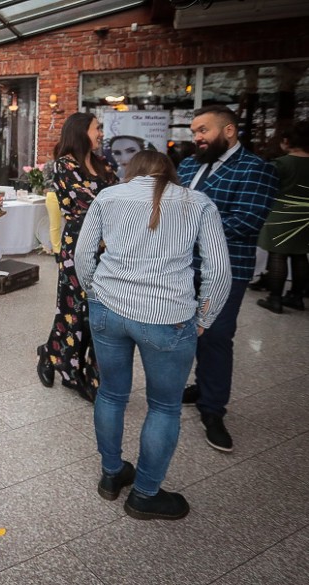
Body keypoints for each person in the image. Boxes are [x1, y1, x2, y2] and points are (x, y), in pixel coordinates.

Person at [76, 151, 231, 520]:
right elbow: (220, 272)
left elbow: (81, 256)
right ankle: (145, 494)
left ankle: (112, 475)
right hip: (168, 318)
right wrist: (205, 318)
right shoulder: (198, 203)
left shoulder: (109, 196)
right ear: (170, 173)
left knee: (112, 394)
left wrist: (94, 294)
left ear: (133, 171)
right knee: (164, 406)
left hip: (108, 310)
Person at [177, 105, 279, 452]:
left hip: (224, 269)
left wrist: (189, 232)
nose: (197, 138)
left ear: (230, 131)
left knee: (216, 335)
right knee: (182, 331)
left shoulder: (255, 168)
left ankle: (213, 409)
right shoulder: (189, 165)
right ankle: (199, 386)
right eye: (194, 132)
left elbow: (247, 220)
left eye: (203, 130)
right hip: (179, 266)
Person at [36, 112, 118, 401]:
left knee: (94, 311)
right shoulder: (63, 165)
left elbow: (118, 197)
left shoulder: (103, 164)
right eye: (98, 128)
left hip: (108, 248)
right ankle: (69, 371)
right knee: (74, 309)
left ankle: (50, 353)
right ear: (82, 130)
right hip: (78, 245)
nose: (101, 133)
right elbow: (89, 202)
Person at [256, 122, 309, 313]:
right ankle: (297, 297)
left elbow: (265, 189)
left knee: (277, 255)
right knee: (300, 255)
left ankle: (275, 298)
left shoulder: (280, 164)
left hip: (280, 214)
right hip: (306, 216)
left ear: (287, 141)